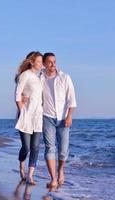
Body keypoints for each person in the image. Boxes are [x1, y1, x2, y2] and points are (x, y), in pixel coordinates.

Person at [40, 52, 77, 188]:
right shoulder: (40, 77)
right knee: (50, 147)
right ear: (44, 63)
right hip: (47, 116)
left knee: (63, 149)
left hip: (63, 118)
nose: (53, 64)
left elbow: (71, 99)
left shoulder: (65, 77)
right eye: (50, 62)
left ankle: (61, 170)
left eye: (54, 61)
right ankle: (53, 178)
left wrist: (69, 115)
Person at [14, 51, 43, 185]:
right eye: (39, 61)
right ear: (32, 62)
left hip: (38, 116)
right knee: (26, 147)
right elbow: (17, 94)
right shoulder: (25, 75)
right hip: (26, 115)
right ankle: (21, 166)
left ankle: (30, 175)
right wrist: (22, 110)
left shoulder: (39, 77)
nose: (41, 64)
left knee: (35, 147)